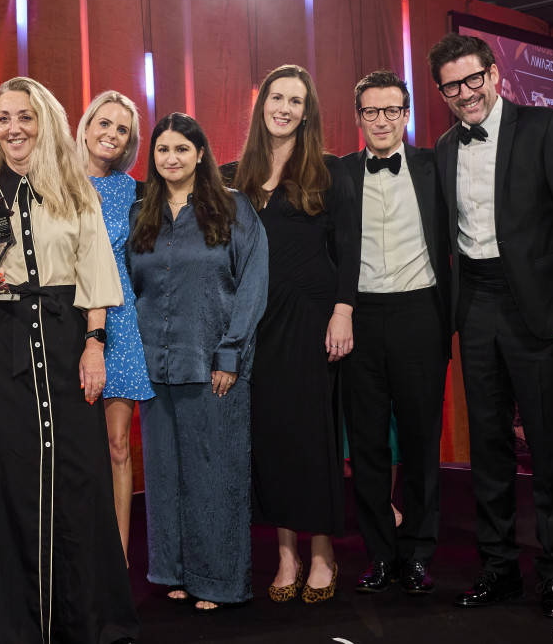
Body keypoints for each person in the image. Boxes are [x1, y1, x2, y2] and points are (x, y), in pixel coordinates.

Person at [428, 33, 553, 619]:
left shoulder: (545, 127)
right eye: (452, 86)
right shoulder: (443, 146)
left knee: (550, 447)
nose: (465, 93)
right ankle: (499, 567)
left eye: (473, 78)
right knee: (488, 446)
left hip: (542, 309)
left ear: (493, 75)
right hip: (476, 305)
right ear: (443, 93)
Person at [0, 77, 138, 643]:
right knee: (2, 481)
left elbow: (96, 278)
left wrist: (94, 344)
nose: (14, 128)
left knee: (77, 475)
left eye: (25, 117)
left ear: (47, 123)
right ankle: (6, 623)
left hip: (62, 339)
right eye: (4, 118)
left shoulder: (79, 195)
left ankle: (86, 618)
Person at [225, 64, 360, 605]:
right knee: (270, 437)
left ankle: (323, 551)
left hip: (311, 318)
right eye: (276, 97)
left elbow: (349, 248)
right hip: (256, 323)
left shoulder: (327, 170)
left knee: (313, 437)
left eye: (295, 101)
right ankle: (286, 553)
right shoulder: (235, 173)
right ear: (262, 105)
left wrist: (343, 310)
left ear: (308, 112)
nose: (284, 107)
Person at [128, 112, 267, 612]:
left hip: (214, 365)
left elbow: (253, 283)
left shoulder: (232, 209)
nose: (171, 159)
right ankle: (175, 573)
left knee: (217, 476)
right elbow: (128, 288)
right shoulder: (140, 213)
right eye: (163, 150)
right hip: (155, 367)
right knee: (165, 479)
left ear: (201, 154)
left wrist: (231, 352)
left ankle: (221, 582)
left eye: (182, 150)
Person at [340, 70, 450, 596]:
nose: (381, 121)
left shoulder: (434, 167)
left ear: (406, 116)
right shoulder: (339, 173)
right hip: (359, 317)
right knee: (365, 446)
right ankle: (380, 554)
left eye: (392, 111)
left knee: (421, 440)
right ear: (357, 117)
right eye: (371, 111)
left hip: (419, 316)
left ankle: (419, 554)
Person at [75, 90, 155, 562]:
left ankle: (117, 555)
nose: (111, 134)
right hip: (70, 317)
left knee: (118, 444)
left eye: (121, 129)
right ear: (85, 128)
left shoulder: (135, 190)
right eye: (103, 124)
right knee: (74, 446)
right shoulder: (55, 183)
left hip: (122, 320)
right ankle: (76, 549)